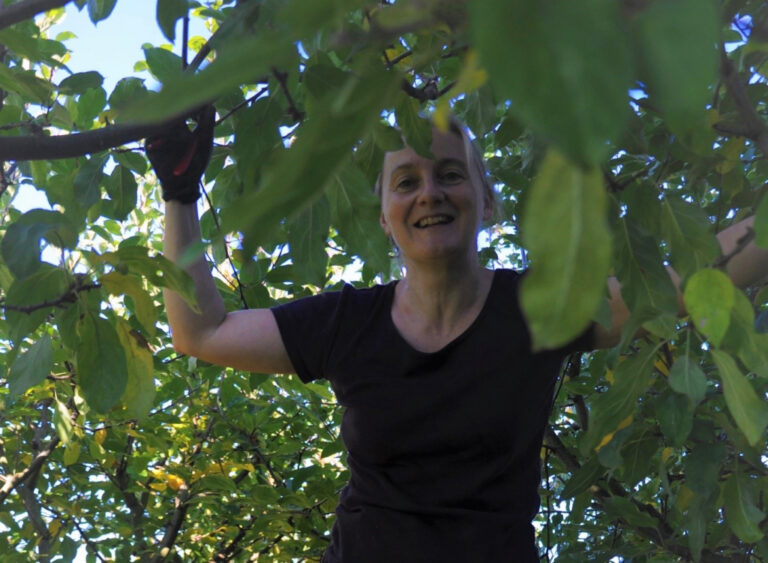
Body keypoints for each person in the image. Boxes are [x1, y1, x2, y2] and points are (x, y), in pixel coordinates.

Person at [147, 107, 768, 562]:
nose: (430, 194)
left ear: (486, 201)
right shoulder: (346, 323)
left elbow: (681, 284)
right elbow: (202, 331)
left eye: (450, 174)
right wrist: (179, 193)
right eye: (407, 182)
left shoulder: (539, 308)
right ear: (386, 217)